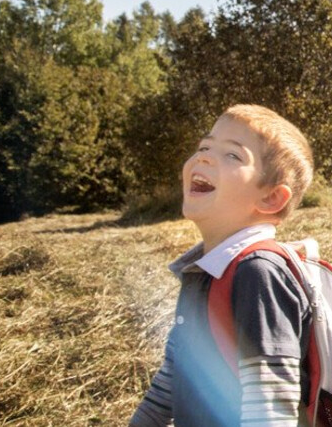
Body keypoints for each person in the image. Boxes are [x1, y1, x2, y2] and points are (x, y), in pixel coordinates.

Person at [130, 104, 317, 426]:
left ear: (271, 198)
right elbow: (175, 375)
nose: (203, 157)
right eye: (204, 147)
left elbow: (271, 407)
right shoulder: (202, 270)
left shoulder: (258, 273)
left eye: (233, 155)